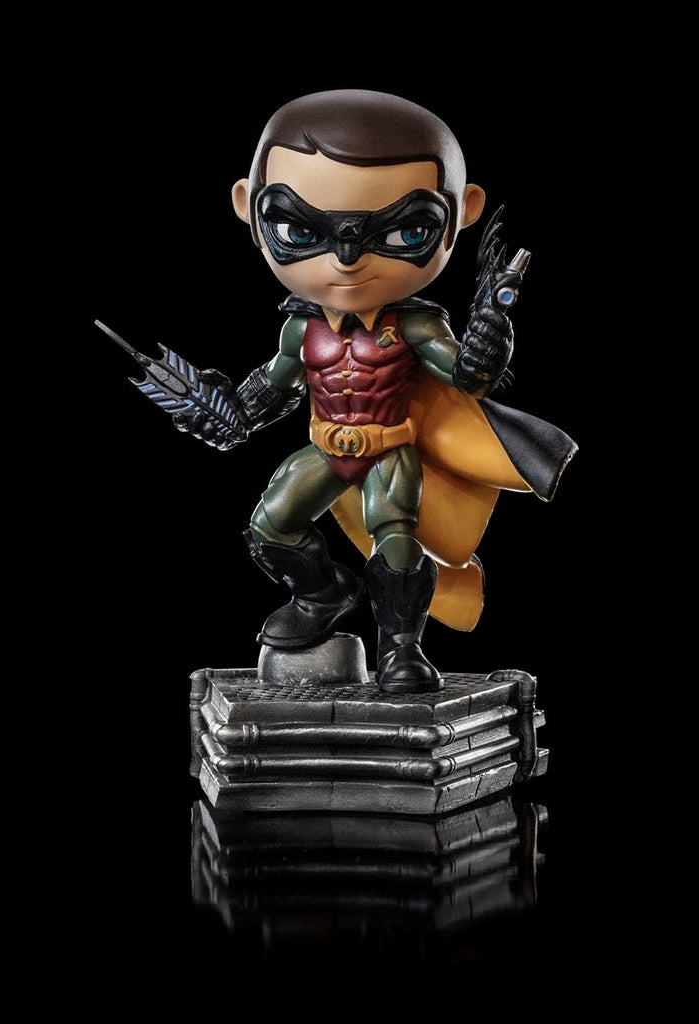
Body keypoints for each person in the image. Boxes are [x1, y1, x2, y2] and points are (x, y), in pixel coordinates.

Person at [119, 90, 576, 693]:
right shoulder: (300, 328)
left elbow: (463, 375)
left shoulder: (414, 325)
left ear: (460, 214)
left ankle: (401, 650)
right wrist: (230, 414)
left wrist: (488, 348)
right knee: (270, 526)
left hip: (389, 449)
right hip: (327, 446)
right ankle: (323, 593)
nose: (346, 257)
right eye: (298, 228)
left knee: (397, 539)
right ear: (248, 209)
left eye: (406, 231)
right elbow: (274, 386)